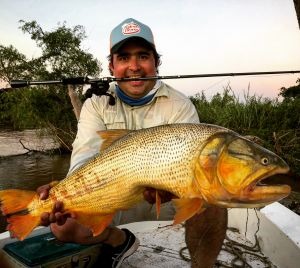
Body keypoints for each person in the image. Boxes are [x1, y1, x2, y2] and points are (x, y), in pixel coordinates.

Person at [38, 18, 227, 268]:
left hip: (168, 203)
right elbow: (84, 158)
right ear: (112, 66)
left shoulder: (180, 105)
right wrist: (63, 191)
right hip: (112, 201)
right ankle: (119, 240)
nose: (134, 66)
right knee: (63, 227)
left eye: (143, 56)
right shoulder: (95, 104)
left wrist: (170, 188)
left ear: (156, 63)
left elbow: (193, 167)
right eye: (124, 58)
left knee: (213, 198)